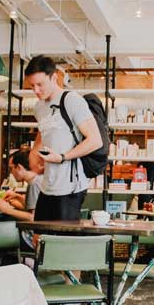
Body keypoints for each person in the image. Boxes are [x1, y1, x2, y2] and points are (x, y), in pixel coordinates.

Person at [26, 55, 102, 221]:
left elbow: (95, 140)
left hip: (70, 187)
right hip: (47, 186)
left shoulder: (71, 101)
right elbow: (44, 131)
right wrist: (34, 151)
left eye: (40, 84)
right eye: (32, 86)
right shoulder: (39, 107)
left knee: (62, 243)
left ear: (54, 78)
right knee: (39, 238)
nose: (36, 91)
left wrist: (62, 157)